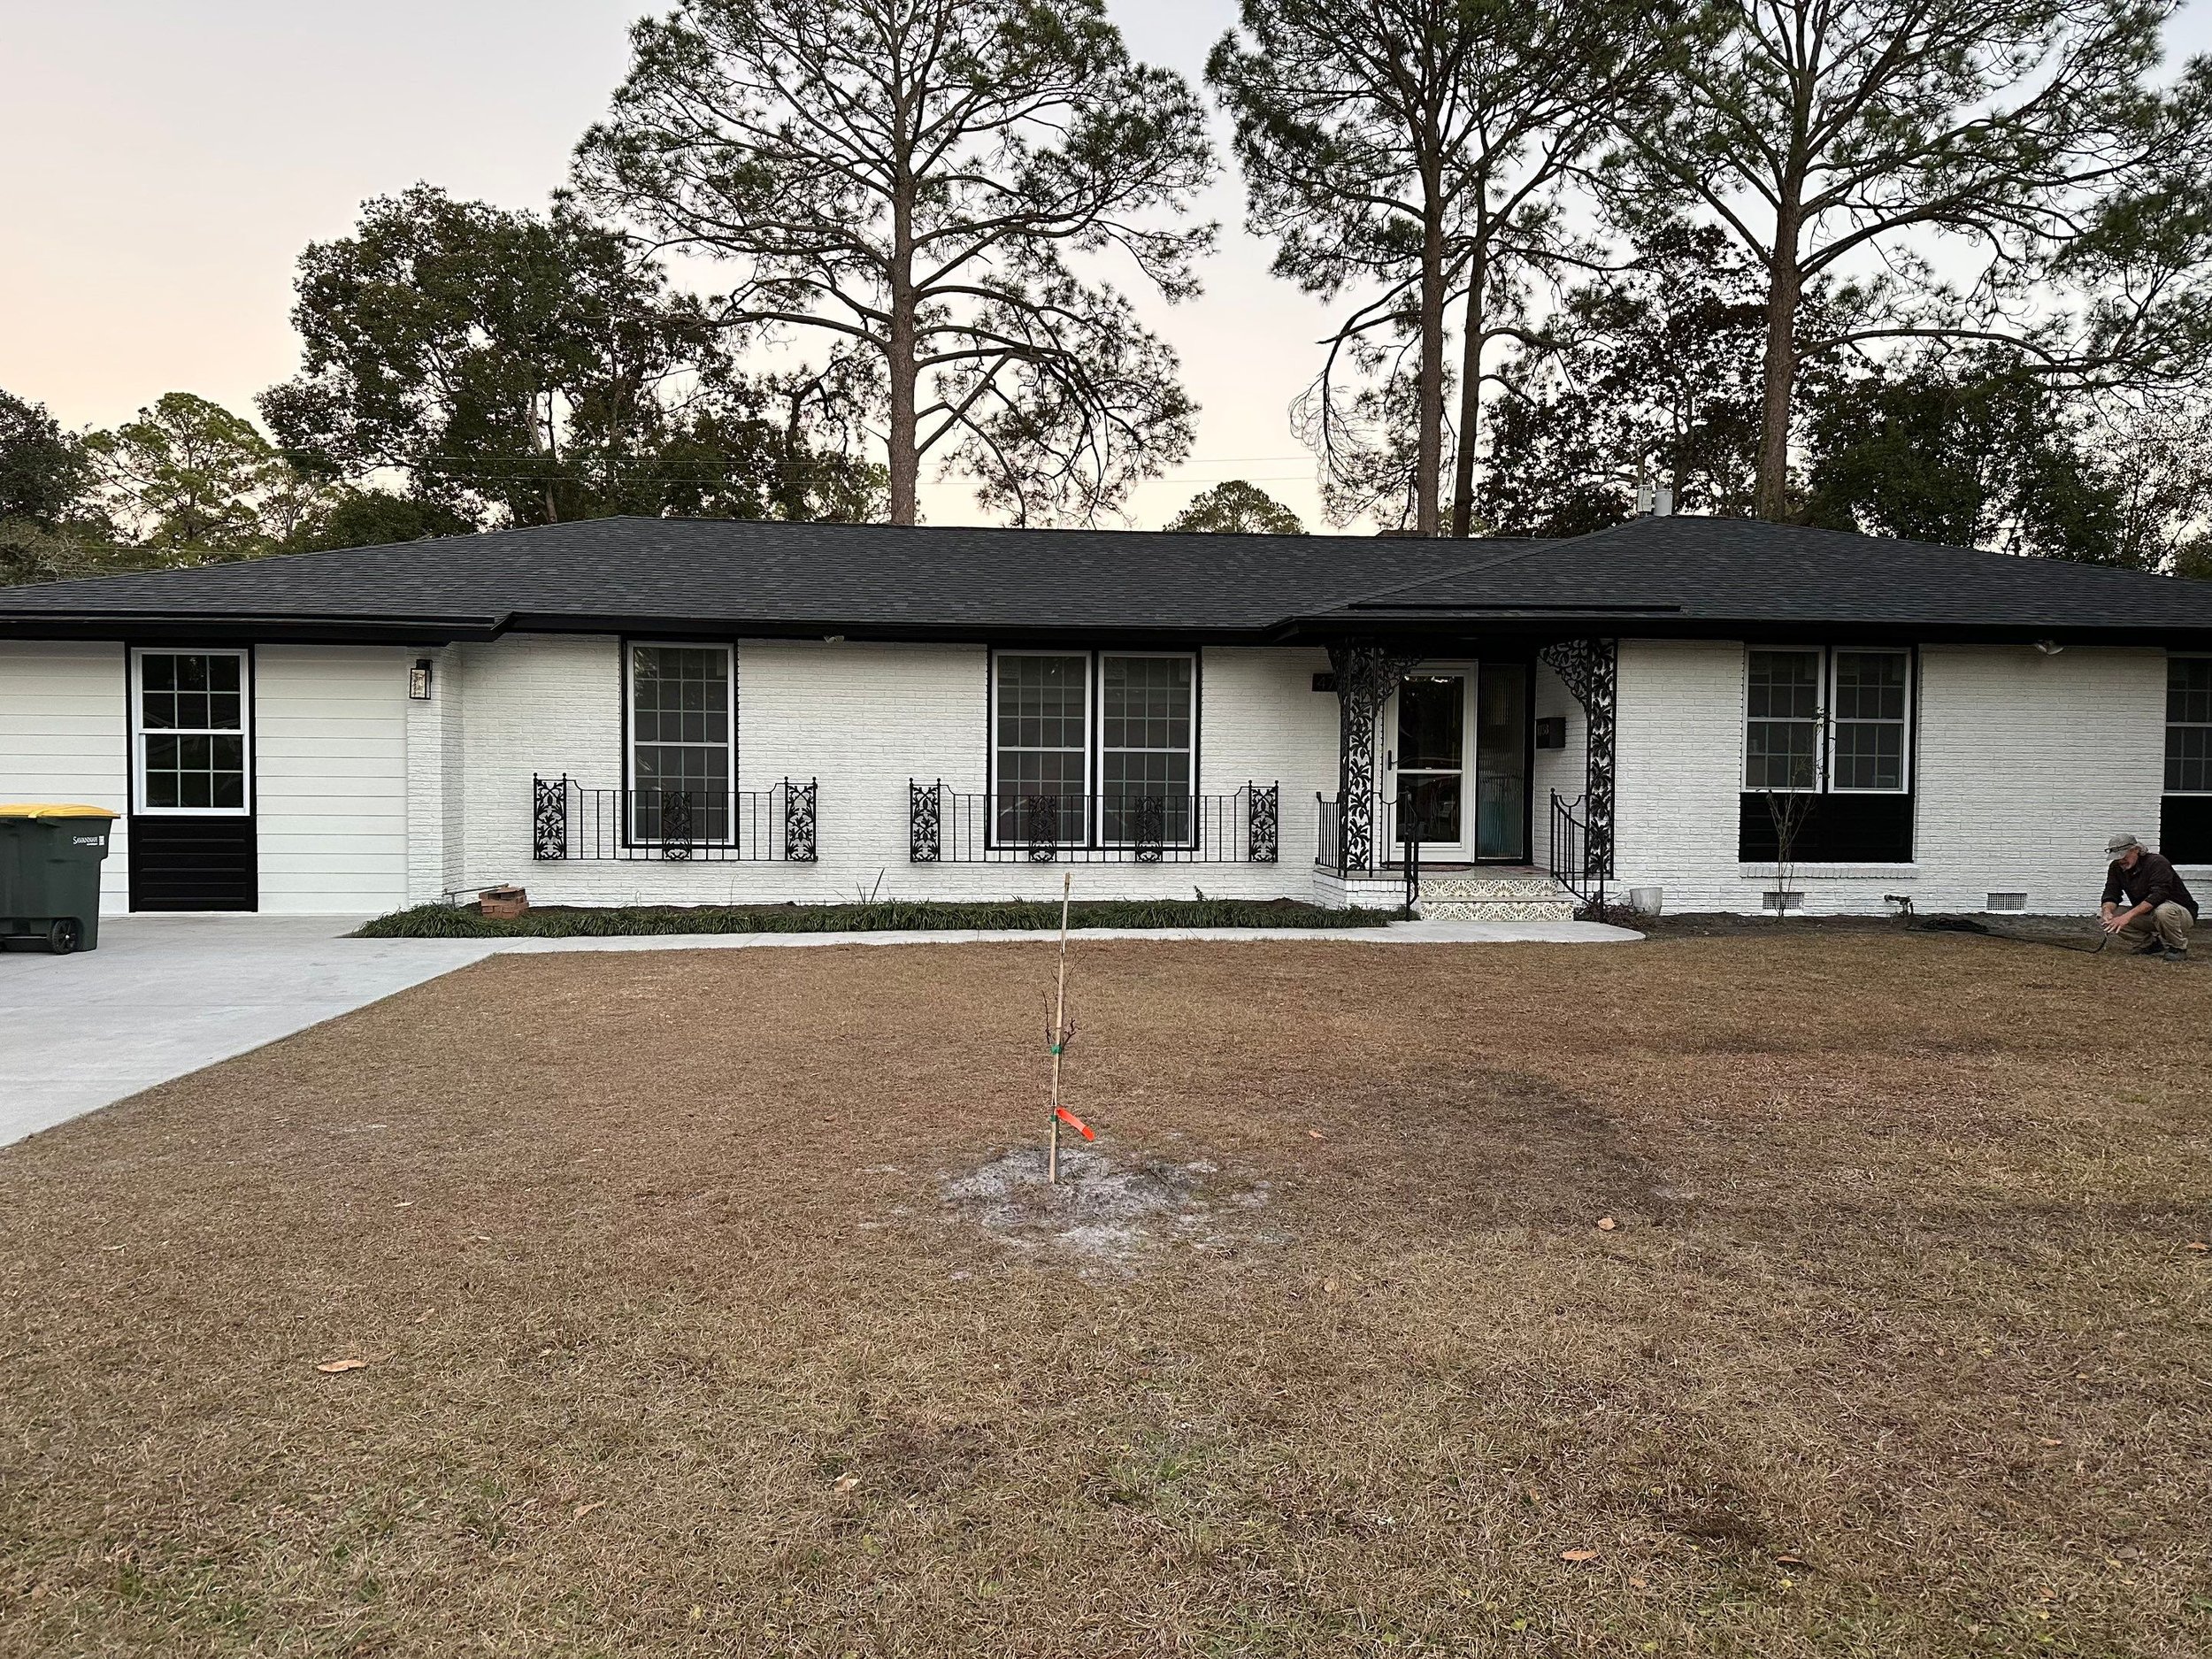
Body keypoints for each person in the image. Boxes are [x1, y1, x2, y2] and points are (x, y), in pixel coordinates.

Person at [2100, 833, 2196, 960]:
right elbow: (2111, 893)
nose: (2121, 861)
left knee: (2163, 911)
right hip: (2148, 914)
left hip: (2179, 913)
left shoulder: (2157, 862)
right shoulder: (2116, 867)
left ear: (2136, 850)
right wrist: (2107, 911)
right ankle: (2150, 944)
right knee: (2102, 917)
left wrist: (2127, 917)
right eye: (2117, 858)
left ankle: (2178, 947)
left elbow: (2158, 895)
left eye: (2124, 856)